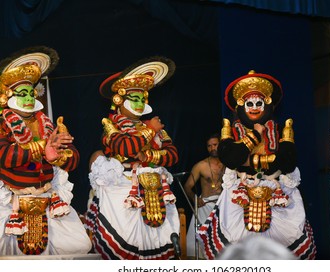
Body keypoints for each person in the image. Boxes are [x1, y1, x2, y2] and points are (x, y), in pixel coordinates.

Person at [197, 70, 316, 260]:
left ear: (267, 104)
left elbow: (288, 162)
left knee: (283, 247)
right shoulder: (231, 132)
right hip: (240, 195)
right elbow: (230, 158)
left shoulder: (280, 130)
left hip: (276, 194)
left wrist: (249, 160)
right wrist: (255, 136)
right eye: (249, 104)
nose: (254, 108)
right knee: (238, 248)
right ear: (240, 107)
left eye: (259, 103)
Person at [85, 57, 180, 260]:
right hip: (123, 188)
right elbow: (126, 148)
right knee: (125, 244)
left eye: (141, 98)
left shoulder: (154, 125)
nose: (138, 103)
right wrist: (148, 132)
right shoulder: (112, 126)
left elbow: (172, 156)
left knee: (160, 242)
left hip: (155, 189)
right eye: (133, 98)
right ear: (119, 100)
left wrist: (147, 155)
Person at [0, 46, 92, 255]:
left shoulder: (49, 125)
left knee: (80, 246)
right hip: (10, 200)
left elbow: (74, 158)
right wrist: (42, 148)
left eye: (31, 93)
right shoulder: (2, 124)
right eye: (22, 94)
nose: (29, 98)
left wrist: (58, 157)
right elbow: (4, 156)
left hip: (48, 197)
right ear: (8, 96)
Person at [184, 133, 225, 259]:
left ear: (221, 144)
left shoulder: (229, 164)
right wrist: (195, 199)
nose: (212, 148)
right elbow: (187, 187)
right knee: (200, 245)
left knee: (222, 243)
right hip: (205, 206)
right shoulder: (201, 166)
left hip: (223, 207)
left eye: (215, 145)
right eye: (209, 146)